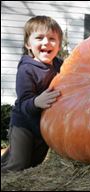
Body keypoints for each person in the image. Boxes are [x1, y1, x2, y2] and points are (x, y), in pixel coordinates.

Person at [1, 16, 63, 173]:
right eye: (39, 38)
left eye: (52, 38)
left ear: (59, 44)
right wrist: (36, 102)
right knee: (18, 165)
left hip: (44, 125)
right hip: (24, 124)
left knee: (34, 164)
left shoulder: (60, 65)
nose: (46, 42)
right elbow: (23, 103)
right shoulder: (26, 69)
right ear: (28, 44)